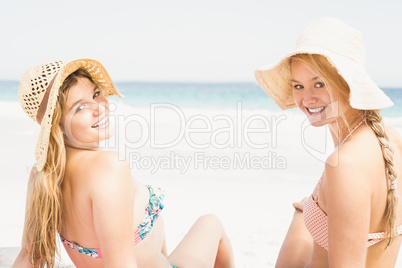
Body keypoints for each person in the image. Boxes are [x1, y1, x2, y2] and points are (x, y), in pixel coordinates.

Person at [12, 59, 235, 268]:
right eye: (80, 108)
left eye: (96, 94)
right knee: (211, 223)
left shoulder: (43, 175)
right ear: (57, 126)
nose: (99, 107)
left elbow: (29, 256)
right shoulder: (108, 168)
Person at [255, 17, 402, 267]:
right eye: (298, 86)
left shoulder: (344, 165)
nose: (307, 98)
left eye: (319, 84)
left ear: (348, 83)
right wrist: (313, 208)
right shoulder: (390, 139)